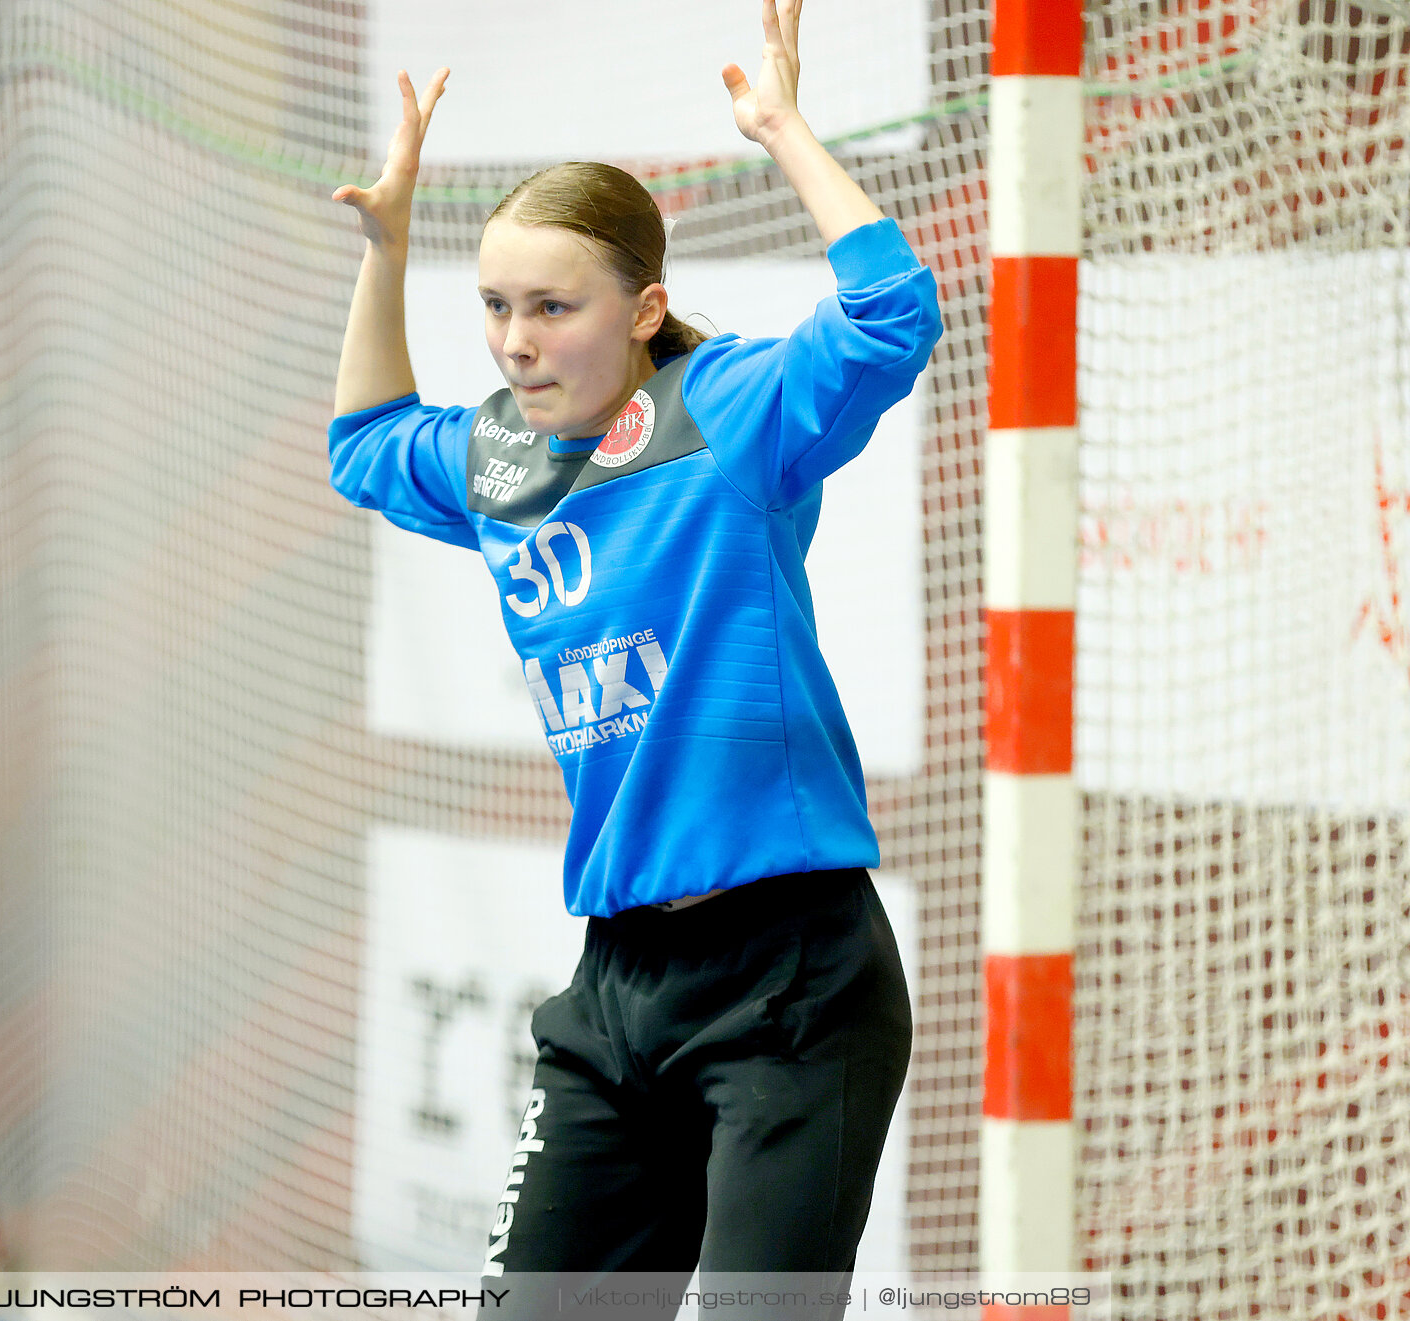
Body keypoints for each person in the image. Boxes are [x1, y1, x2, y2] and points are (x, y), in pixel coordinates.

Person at [328, 2, 939, 1314]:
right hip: (617, 990)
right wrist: (386, 252)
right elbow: (366, 443)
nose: (514, 339)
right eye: (496, 307)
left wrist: (782, 130)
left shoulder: (728, 412)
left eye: (552, 307)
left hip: (793, 980)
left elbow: (892, 313)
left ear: (643, 306)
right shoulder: (502, 456)